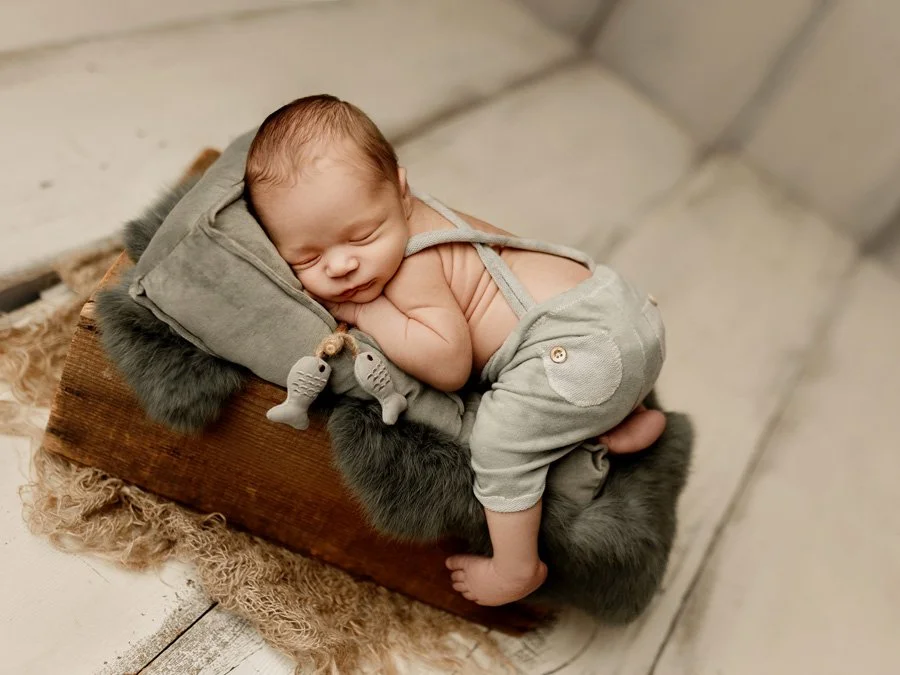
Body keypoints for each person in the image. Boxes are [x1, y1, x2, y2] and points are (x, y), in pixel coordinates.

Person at [245, 95, 667, 606]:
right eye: (307, 257)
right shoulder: (427, 214)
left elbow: (448, 365)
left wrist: (364, 314)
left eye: (361, 236)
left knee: (500, 442)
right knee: (581, 371)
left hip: (577, 352)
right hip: (622, 309)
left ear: (400, 192)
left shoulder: (411, 266)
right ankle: (624, 415)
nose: (341, 266)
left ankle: (517, 567)